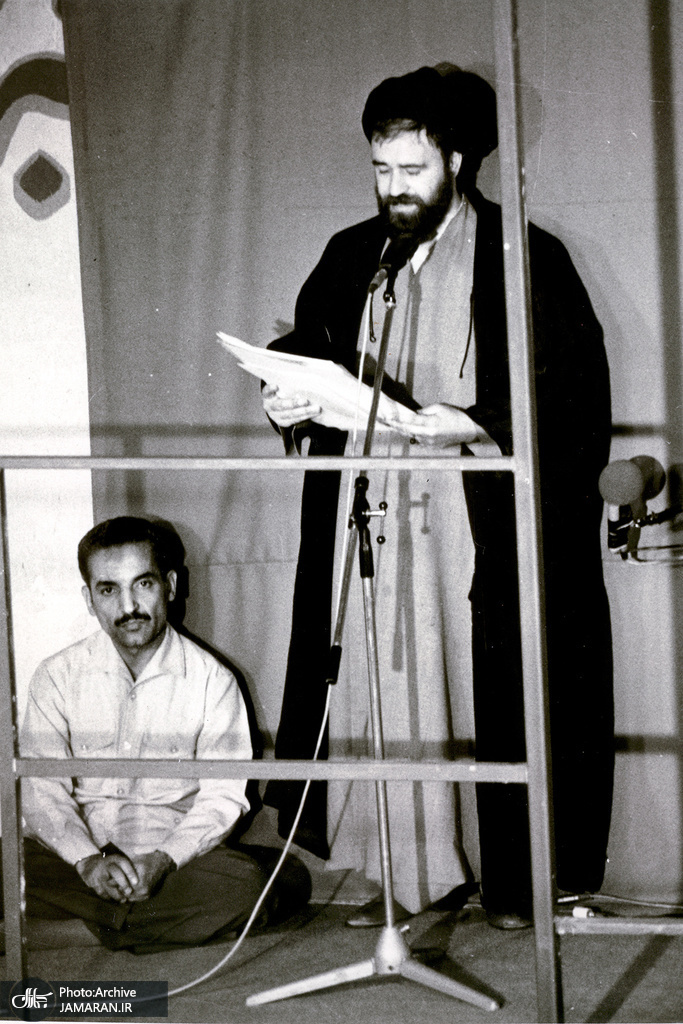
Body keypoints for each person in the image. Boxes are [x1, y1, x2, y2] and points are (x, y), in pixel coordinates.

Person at [262, 65, 614, 930]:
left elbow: (573, 396)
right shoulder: (352, 255)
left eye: (412, 170)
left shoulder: (522, 255)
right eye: (381, 170)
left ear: (456, 161)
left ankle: (513, 882)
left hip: (471, 523)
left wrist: (476, 423)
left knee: (490, 690)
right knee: (380, 691)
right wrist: (286, 398)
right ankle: (408, 875)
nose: (394, 189)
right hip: (370, 517)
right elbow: (308, 349)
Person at [5, 516, 309, 953]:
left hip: (172, 863)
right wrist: (88, 862)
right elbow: (40, 789)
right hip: (79, 859)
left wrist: (162, 861)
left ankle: (65, 933)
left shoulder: (212, 680)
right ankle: (127, 926)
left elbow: (223, 798)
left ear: (170, 585)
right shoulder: (56, 676)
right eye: (108, 590)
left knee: (259, 881)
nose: (128, 606)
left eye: (143, 584)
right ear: (89, 599)